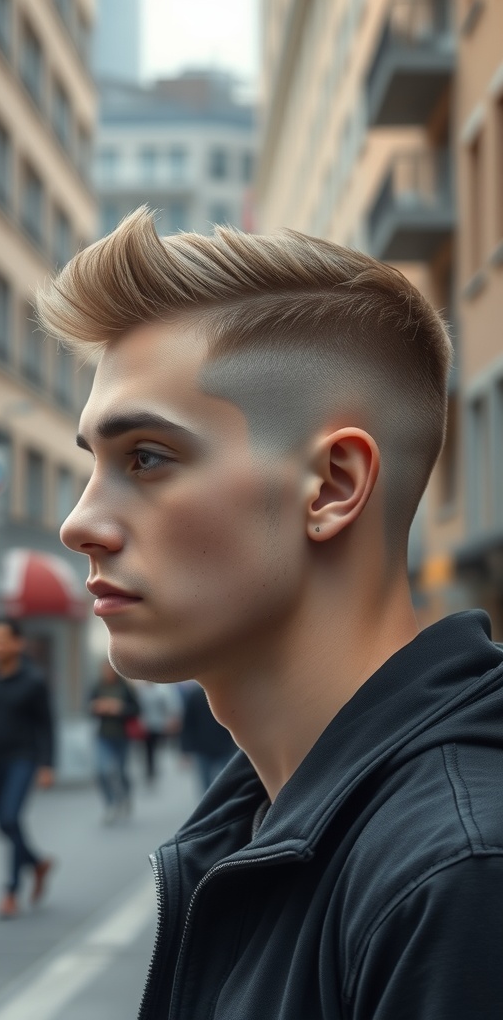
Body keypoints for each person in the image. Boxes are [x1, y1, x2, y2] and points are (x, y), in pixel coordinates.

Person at [36, 208, 503, 1018]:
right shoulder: (262, 820)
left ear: (331, 487)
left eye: (146, 457)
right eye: (95, 464)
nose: (79, 524)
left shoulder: (457, 877)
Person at [0, 618, 55, 920]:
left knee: (11, 817)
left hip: (23, 757)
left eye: (3, 640)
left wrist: (47, 765)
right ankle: (38, 862)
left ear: (18, 643)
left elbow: (46, 725)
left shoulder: (33, 680)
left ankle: (10, 891)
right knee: (2, 826)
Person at [90, 659, 140, 821]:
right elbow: (89, 706)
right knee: (102, 771)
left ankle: (125, 797)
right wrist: (99, 707)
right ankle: (110, 803)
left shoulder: (125, 688)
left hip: (122, 736)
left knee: (121, 770)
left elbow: (137, 709)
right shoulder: (97, 686)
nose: (107, 673)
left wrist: (120, 708)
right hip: (103, 735)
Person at [180, 681, 236, 793]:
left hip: (205, 745)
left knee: (206, 782)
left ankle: (210, 806)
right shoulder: (225, 694)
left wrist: (185, 750)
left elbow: (188, 723)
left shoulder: (194, 694)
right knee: (226, 780)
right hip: (222, 744)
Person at [135, 680, 182, 784]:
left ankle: (155, 767)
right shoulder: (141, 691)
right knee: (148, 749)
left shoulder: (161, 690)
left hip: (160, 724)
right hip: (146, 725)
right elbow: (138, 707)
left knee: (157, 747)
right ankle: (150, 770)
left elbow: (169, 705)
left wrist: (169, 720)